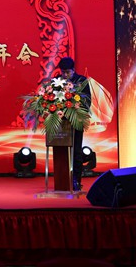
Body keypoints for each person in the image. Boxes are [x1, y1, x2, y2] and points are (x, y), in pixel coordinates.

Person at [57, 57, 91, 192]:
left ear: (73, 70)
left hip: (76, 120)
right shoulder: (56, 82)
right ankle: (62, 180)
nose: (65, 75)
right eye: (63, 72)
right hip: (61, 122)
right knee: (62, 152)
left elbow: (87, 101)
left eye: (68, 72)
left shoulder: (82, 81)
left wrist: (76, 108)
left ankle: (76, 180)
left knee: (76, 151)